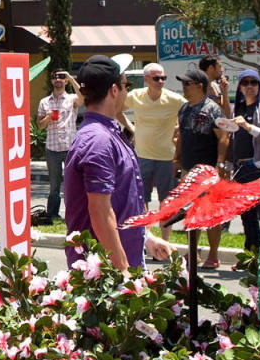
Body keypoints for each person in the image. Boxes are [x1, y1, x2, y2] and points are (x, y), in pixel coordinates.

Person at [63, 56, 170, 271]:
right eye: (125, 85)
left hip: (118, 264)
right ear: (113, 90)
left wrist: (146, 238)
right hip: (104, 276)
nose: (126, 92)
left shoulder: (105, 133)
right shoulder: (98, 140)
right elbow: (101, 212)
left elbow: (120, 202)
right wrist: (122, 271)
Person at [177, 69, 230, 269]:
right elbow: (182, 136)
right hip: (188, 169)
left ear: (200, 85)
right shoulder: (183, 109)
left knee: (211, 213)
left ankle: (213, 255)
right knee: (191, 213)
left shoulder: (213, 109)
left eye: (187, 83)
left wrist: (220, 163)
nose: (184, 87)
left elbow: (223, 137)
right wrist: (176, 158)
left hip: (208, 169)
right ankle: (193, 252)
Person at [126, 63, 184, 240]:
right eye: (156, 78)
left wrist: (178, 130)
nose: (160, 81)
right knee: (141, 200)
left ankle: (164, 241)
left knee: (166, 202)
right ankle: (146, 239)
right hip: (142, 155)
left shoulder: (174, 99)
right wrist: (132, 128)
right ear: (146, 79)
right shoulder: (135, 96)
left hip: (167, 157)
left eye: (163, 78)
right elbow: (115, 109)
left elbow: (190, 113)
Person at [227, 68, 260, 256]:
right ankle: (251, 257)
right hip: (241, 169)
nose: (249, 86)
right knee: (246, 216)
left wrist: (248, 126)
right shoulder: (237, 108)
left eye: (253, 83)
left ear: (259, 86)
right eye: (245, 83)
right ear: (240, 87)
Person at [35, 69, 78, 221]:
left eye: (62, 77)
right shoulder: (45, 102)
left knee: (72, 183)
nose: (58, 79)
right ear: (51, 81)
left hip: (69, 147)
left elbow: (84, 98)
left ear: (65, 80)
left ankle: (72, 213)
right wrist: (47, 118)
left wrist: (72, 79)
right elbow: (39, 126)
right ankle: (52, 214)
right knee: (54, 185)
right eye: (55, 77)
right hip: (52, 148)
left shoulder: (72, 98)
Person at [198, 55, 234, 120]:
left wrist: (225, 93)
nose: (222, 70)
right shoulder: (196, 88)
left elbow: (227, 116)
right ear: (211, 68)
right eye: (219, 66)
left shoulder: (216, 87)